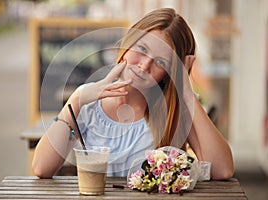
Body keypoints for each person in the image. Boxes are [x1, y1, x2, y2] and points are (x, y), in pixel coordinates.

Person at [32, 8, 234, 179]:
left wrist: (187, 92)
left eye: (161, 62)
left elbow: (223, 170)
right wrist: (76, 100)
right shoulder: (89, 104)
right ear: (128, 43)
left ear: (169, 73)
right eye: (142, 49)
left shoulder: (176, 107)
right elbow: (41, 167)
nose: (145, 65)